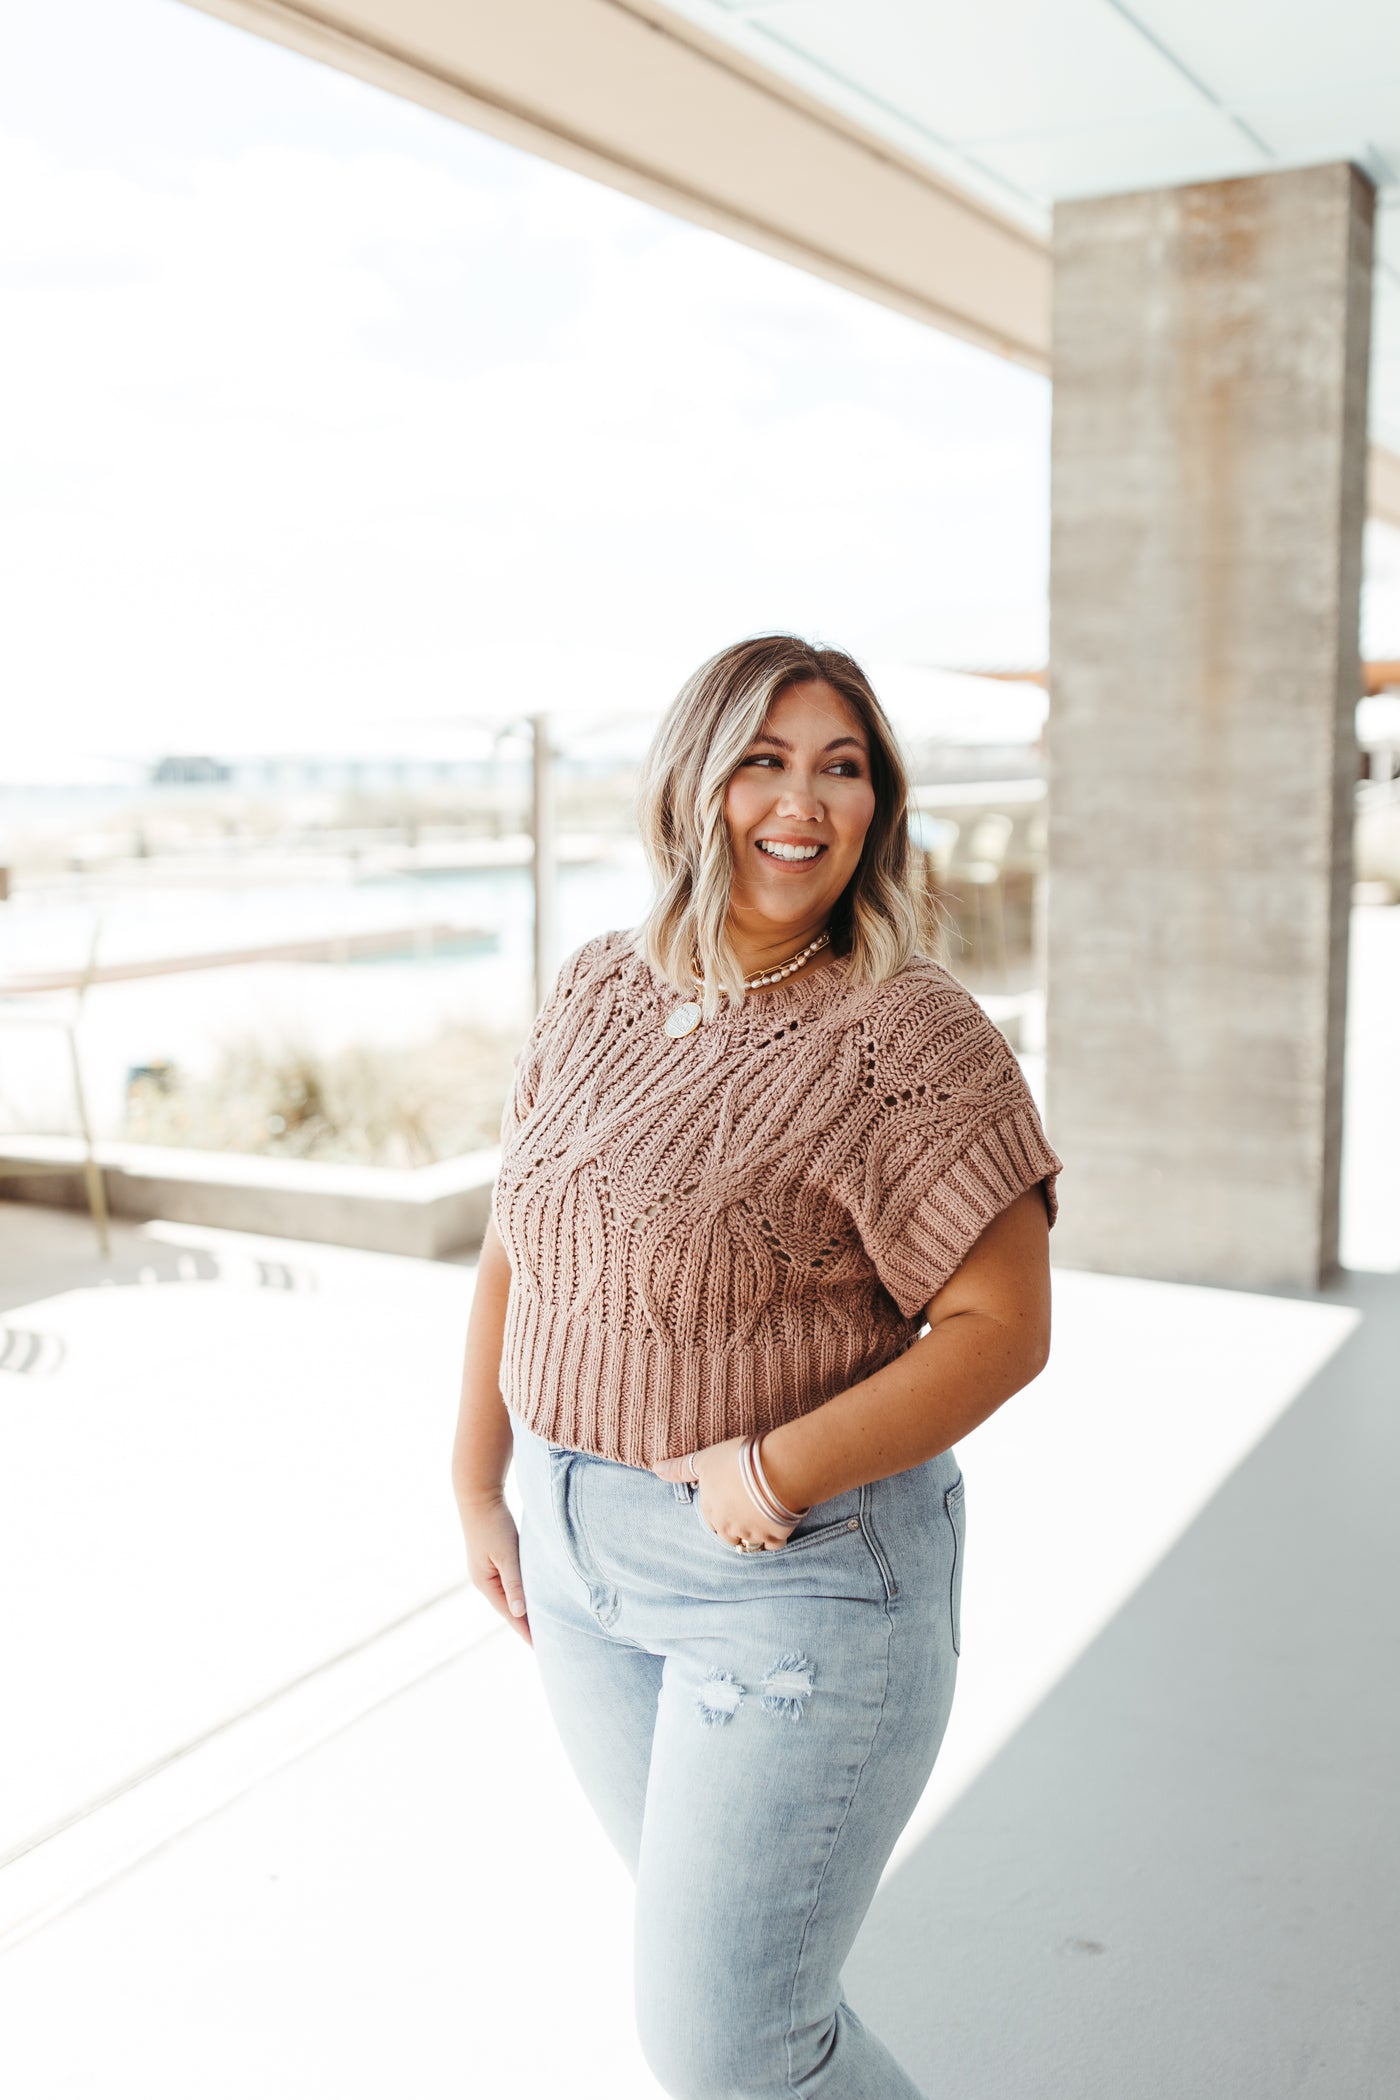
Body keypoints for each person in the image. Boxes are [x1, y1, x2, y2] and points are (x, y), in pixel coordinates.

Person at [452, 634, 1062, 2099]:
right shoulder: (601, 985)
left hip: (793, 1577)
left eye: (842, 767)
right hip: (580, 1569)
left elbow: (1004, 1329)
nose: (804, 802)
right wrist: (480, 1480)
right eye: (765, 760)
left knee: (733, 2048)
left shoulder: (905, 1033)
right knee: (745, 2008)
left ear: (878, 805)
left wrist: (768, 1468)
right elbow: (515, 1237)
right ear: (695, 779)